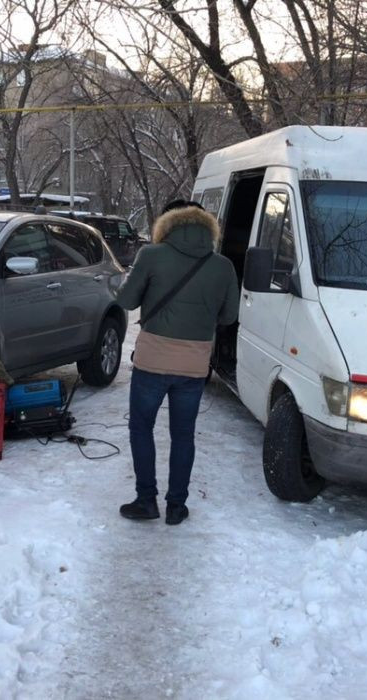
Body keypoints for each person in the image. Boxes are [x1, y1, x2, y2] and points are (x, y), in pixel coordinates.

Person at [115, 200, 240, 525]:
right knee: (183, 435)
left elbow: (125, 300)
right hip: (194, 365)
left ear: (167, 225)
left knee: (141, 428)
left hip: (152, 361)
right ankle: (176, 506)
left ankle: (146, 501)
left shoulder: (151, 256)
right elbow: (229, 316)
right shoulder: (223, 266)